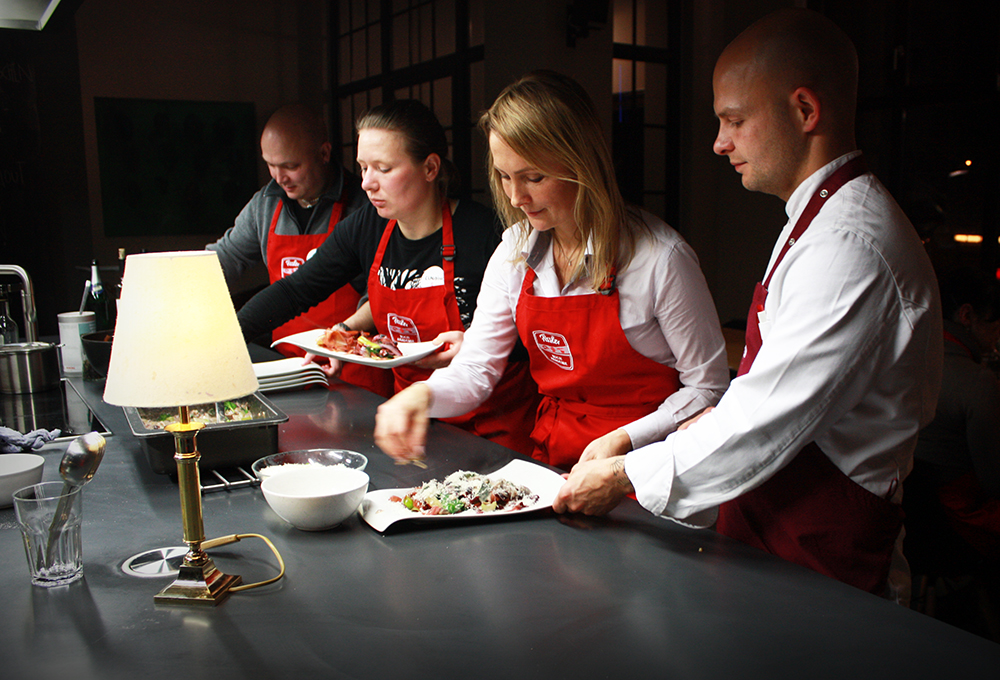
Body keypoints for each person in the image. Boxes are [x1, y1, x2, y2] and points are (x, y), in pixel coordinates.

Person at [552, 8, 943, 601]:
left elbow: (765, 417)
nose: (718, 143)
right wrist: (635, 443)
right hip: (767, 527)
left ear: (805, 111)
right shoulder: (814, 221)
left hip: (823, 555)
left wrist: (626, 474)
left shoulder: (850, 244)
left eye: (734, 120)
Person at [373, 70, 729, 471]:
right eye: (504, 177)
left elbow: (708, 386)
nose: (515, 196)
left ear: (582, 162)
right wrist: (422, 396)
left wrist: (627, 438)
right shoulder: (514, 250)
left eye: (534, 178)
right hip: (554, 458)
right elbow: (477, 366)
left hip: (644, 465)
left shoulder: (661, 259)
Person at [238, 99, 540, 456]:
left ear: (430, 168)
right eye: (363, 168)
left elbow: (532, 339)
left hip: (493, 428)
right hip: (410, 427)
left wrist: (471, 343)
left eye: (383, 168)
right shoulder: (368, 226)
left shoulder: (486, 235)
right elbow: (295, 291)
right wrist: (226, 343)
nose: (367, 184)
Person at [205, 103, 390, 395]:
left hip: (352, 368)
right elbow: (224, 259)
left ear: (324, 153)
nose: (279, 178)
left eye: (291, 166)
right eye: (270, 165)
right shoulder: (264, 205)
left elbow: (380, 296)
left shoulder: (365, 206)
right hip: (284, 368)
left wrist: (342, 336)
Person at [911, 266, 1000, 562]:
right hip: (954, 527)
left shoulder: (906, 359)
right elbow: (994, 481)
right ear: (966, 316)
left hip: (906, 522)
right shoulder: (978, 382)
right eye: (994, 324)